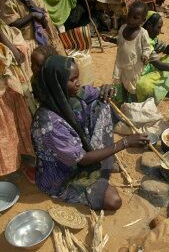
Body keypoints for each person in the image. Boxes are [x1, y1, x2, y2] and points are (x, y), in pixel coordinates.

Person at [31, 52, 149, 211]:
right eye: (72, 80)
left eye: (77, 78)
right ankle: (99, 167)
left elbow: (97, 92)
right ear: (57, 84)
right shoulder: (48, 123)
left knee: (102, 104)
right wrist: (125, 142)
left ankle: (102, 160)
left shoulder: (69, 93)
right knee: (113, 201)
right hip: (63, 176)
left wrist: (106, 89)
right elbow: (83, 160)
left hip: (79, 154)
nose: (78, 83)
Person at [2, 0, 63, 78]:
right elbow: (11, 26)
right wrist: (32, 15)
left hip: (41, 44)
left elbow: (45, 24)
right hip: (24, 47)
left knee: (45, 75)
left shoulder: (37, 0)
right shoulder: (11, 3)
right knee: (31, 77)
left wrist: (36, 9)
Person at [0, 20, 35, 181]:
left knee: (16, 122)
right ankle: (9, 168)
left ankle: (22, 161)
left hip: (10, 83)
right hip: (5, 84)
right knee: (6, 127)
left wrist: (12, 47)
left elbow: (16, 53)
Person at [103, 1, 152, 104]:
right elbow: (120, 42)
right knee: (122, 84)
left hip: (134, 65)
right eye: (129, 15)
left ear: (143, 20)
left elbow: (147, 47)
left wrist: (145, 55)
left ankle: (134, 104)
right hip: (120, 62)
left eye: (135, 18)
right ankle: (125, 103)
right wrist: (110, 40)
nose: (131, 19)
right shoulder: (122, 28)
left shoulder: (143, 33)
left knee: (132, 86)